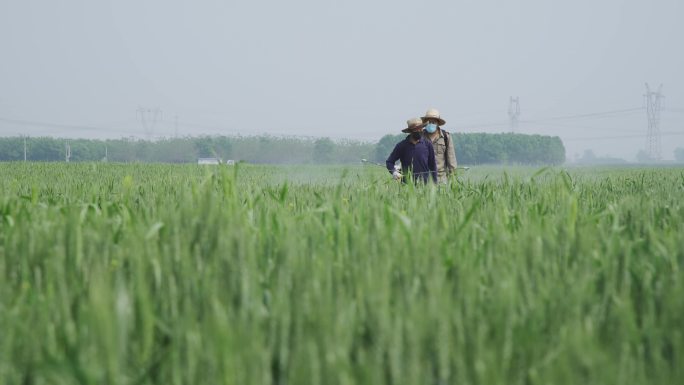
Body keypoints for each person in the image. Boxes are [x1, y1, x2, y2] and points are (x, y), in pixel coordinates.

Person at [386, 118, 437, 184]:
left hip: (424, 185)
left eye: (421, 128)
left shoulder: (427, 144)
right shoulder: (402, 145)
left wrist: (435, 183)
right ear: (411, 131)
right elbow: (389, 162)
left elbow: (433, 165)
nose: (420, 130)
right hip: (407, 184)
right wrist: (393, 172)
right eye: (417, 129)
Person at [421, 108, 457, 183]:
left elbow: (451, 160)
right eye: (429, 122)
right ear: (425, 123)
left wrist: (453, 180)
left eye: (433, 122)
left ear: (438, 123)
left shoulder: (446, 137)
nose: (431, 124)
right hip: (423, 179)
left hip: (441, 179)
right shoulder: (420, 137)